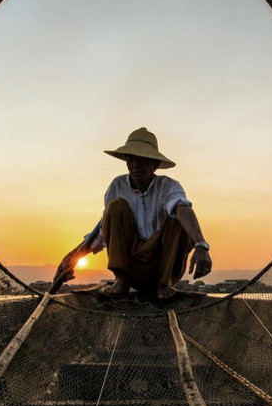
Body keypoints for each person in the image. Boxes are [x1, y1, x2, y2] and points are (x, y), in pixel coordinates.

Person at [53, 128, 212, 300]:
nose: (136, 165)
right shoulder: (117, 186)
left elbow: (183, 209)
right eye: (131, 159)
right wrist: (72, 257)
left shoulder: (169, 186)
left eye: (143, 160)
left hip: (163, 267)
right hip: (133, 267)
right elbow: (104, 231)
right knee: (115, 207)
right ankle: (122, 279)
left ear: (155, 164)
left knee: (178, 219)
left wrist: (201, 245)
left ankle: (163, 284)